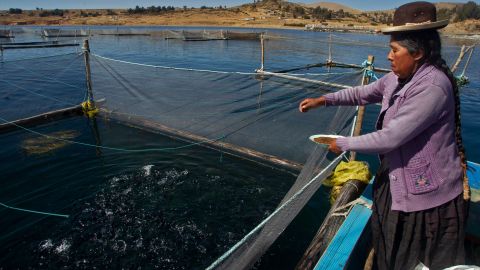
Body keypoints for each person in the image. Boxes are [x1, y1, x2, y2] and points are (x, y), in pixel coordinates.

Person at [298, 2, 469, 270]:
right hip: (397, 181)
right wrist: (323, 99)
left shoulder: (432, 87)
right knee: (388, 253)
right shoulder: (397, 78)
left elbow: (391, 138)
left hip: (425, 199)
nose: (389, 56)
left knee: (410, 260)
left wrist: (342, 143)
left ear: (418, 53)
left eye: (394, 50)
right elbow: (361, 94)